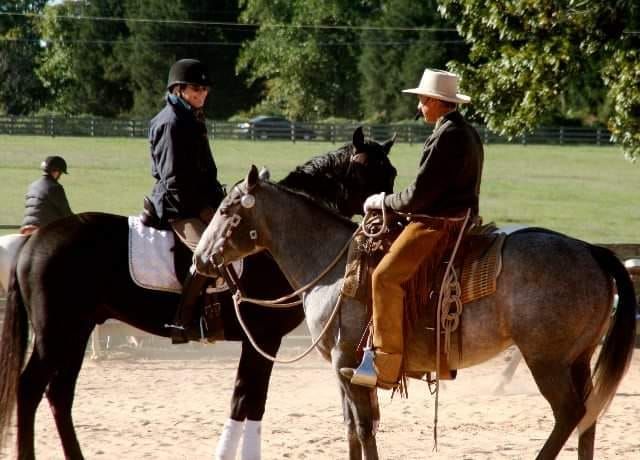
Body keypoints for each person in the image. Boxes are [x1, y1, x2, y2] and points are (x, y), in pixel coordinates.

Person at [341, 68, 484, 389]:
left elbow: (419, 195)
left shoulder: (448, 136)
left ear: (436, 101)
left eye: (422, 101)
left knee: (384, 278)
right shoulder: (464, 131)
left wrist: (382, 201)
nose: (419, 107)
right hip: (456, 217)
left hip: (438, 223)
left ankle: (386, 367)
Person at [146, 58, 225, 344]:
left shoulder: (191, 117)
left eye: (204, 89)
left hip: (198, 202)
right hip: (178, 208)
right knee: (208, 254)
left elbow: (204, 172)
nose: (201, 94)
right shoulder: (171, 123)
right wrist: (203, 210)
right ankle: (182, 321)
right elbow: (174, 181)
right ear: (178, 89)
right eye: (195, 89)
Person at [21, 155, 73, 235]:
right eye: (61, 173)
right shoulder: (55, 187)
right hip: (45, 229)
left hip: (26, 229)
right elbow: (66, 212)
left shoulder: (32, 186)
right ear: (56, 172)